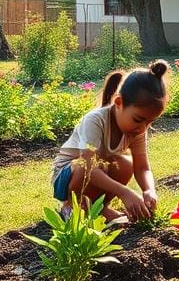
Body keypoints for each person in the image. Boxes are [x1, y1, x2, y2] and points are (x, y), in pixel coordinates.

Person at [52, 60, 169, 223]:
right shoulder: (95, 120)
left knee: (126, 164)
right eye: (139, 119)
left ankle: (99, 208)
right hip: (67, 176)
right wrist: (124, 192)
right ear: (119, 103)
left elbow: (142, 167)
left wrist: (149, 190)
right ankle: (72, 206)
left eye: (150, 122)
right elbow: (88, 167)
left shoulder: (137, 129)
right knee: (94, 164)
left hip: (95, 169)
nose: (143, 128)